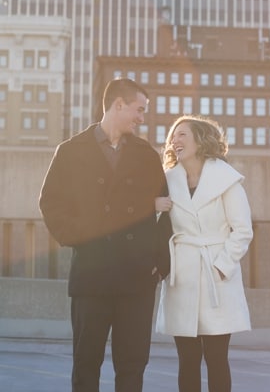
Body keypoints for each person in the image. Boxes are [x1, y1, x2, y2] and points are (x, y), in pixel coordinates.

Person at [39, 77, 172, 392]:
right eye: (139, 110)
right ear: (119, 104)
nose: (143, 118)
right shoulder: (70, 151)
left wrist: (159, 262)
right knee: (86, 364)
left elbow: (167, 211)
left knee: (132, 365)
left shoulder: (146, 154)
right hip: (92, 274)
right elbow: (50, 203)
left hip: (137, 277)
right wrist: (83, 237)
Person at [154, 114, 253, 392]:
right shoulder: (167, 180)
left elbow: (243, 230)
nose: (175, 140)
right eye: (173, 135)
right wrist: (153, 206)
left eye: (182, 134)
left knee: (216, 358)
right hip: (182, 277)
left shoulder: (227, 180)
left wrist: (222, 266)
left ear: (201, 139)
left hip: (216, 277)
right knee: (187, 359)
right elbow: (154, 228)